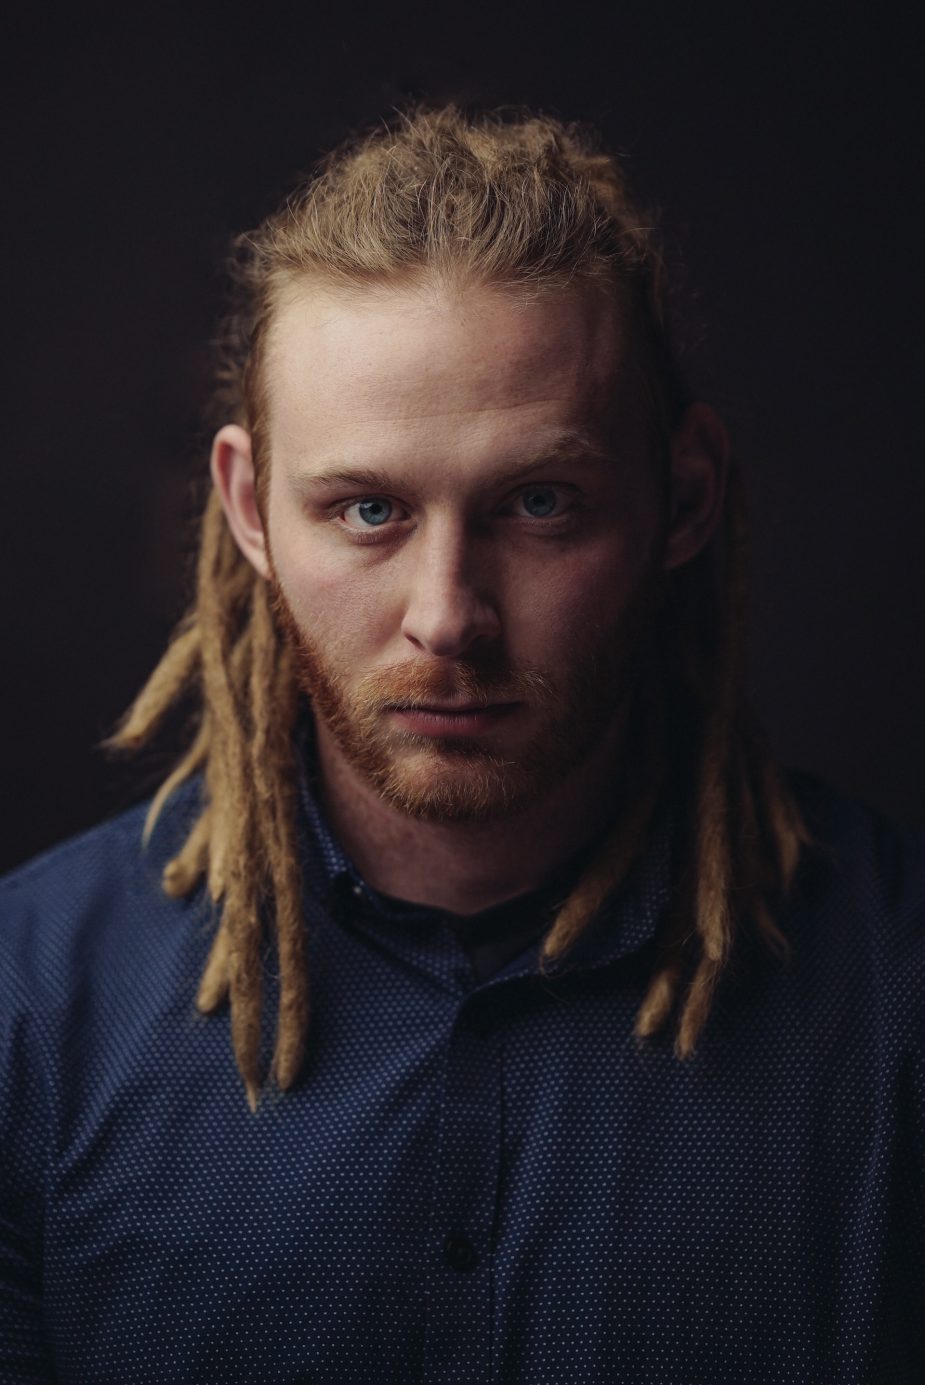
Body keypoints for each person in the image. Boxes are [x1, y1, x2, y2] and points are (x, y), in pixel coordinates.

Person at [1, 105, 922, 1384]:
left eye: (540, 503)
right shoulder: (28, 1012)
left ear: (683, 496)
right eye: (366, 510)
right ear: (250, 507)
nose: (447, 616)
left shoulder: (894, 1001)